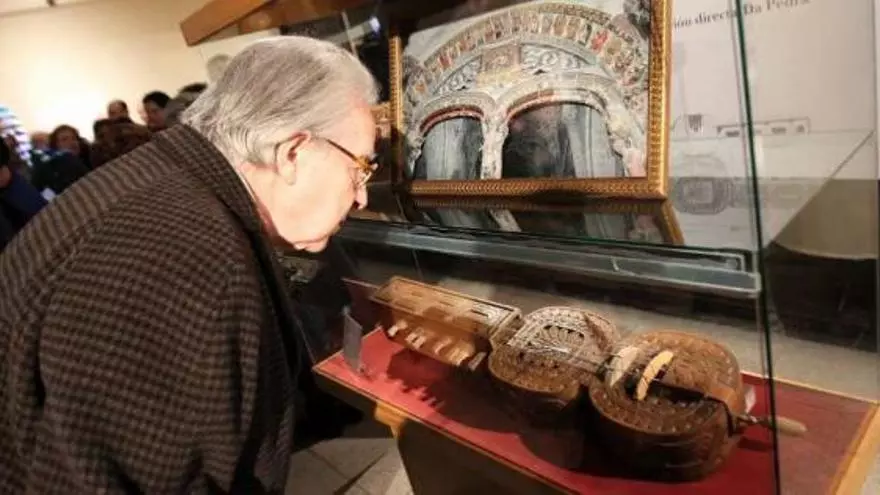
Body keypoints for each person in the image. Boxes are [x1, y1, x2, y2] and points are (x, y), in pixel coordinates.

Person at [0, 35, 378, 493]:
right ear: (292, 153)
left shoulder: (163, 184)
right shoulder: (192, 255)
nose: (361, 195)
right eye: (361, 167)